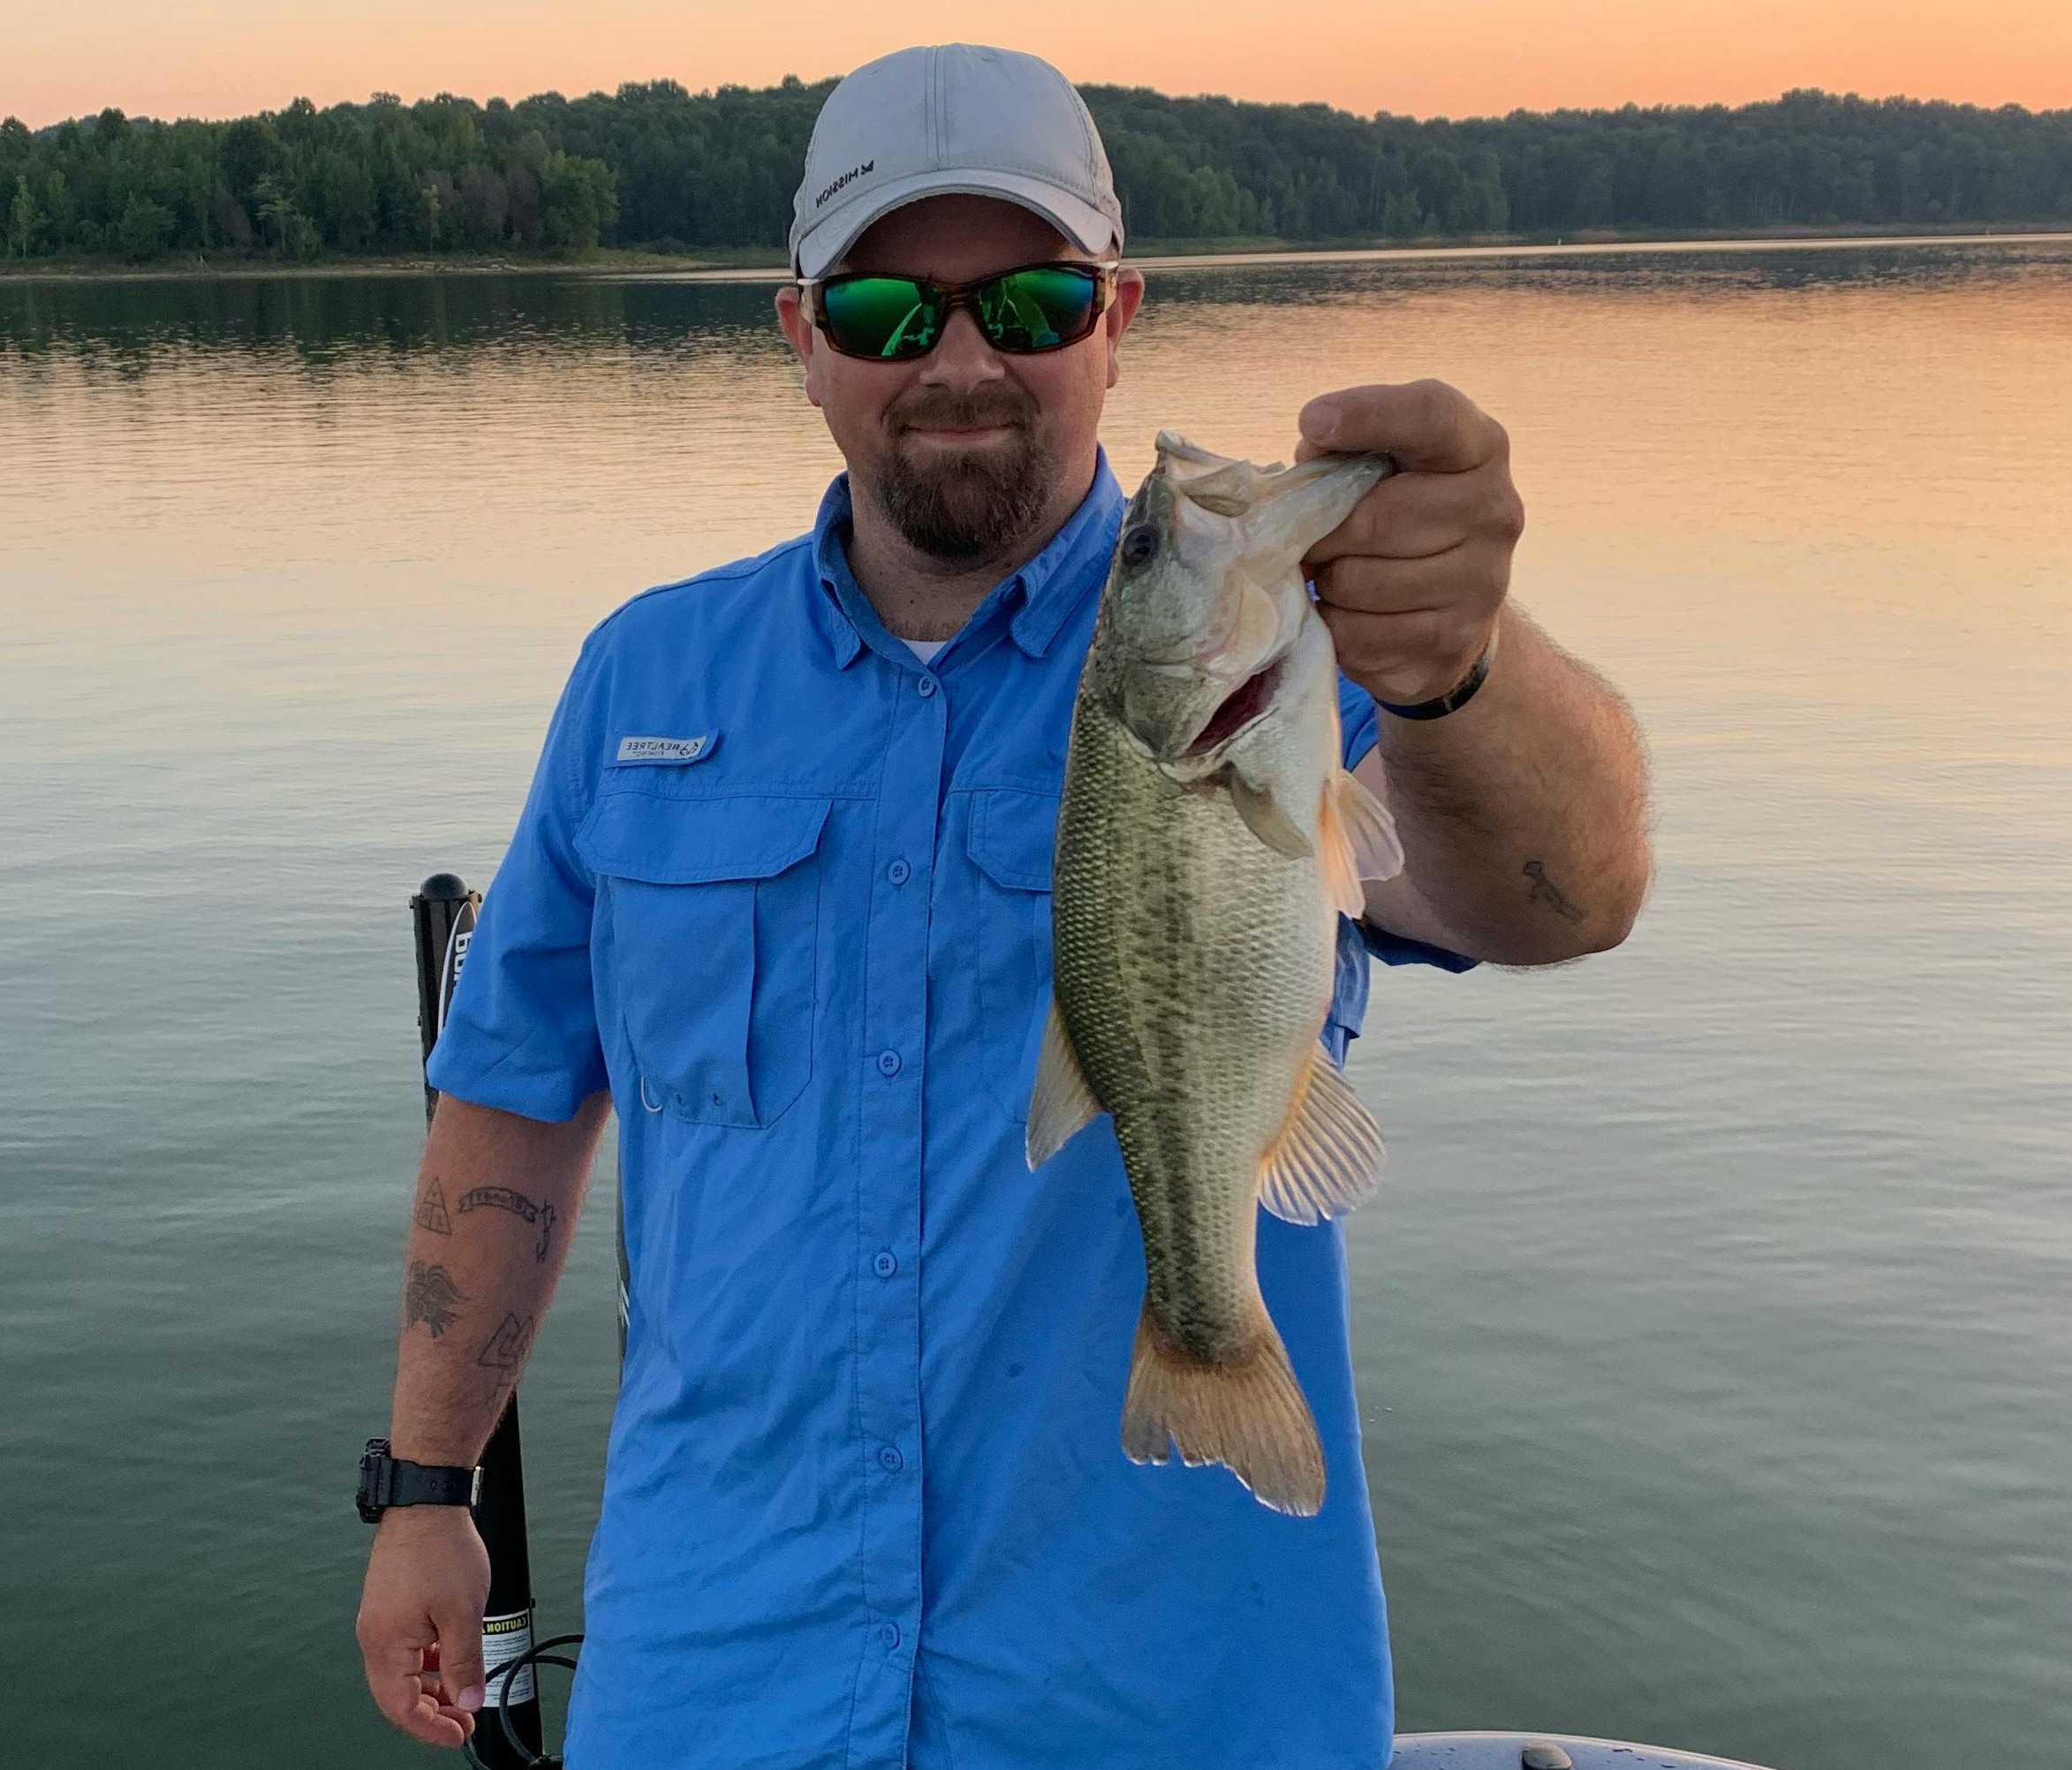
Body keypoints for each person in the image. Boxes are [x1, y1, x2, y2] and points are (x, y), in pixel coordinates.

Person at [355, 42, 1652, 1769]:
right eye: (891, 308)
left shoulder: (1290, 672)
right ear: (800, 333)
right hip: (715, 1685)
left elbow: (1573, 895)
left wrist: (1465, 666)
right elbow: (511, 1100)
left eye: (1028, 299)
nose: (960, 359)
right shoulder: (642, 681)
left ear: (1115, 315)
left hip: (1168, 1701)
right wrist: (427, 1488)